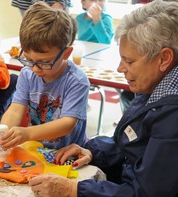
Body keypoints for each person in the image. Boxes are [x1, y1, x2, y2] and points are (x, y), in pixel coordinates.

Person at [28, 0, 178, 196]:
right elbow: (132, 143)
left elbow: (147, 193)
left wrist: (74, 190)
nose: (120, 68)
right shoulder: (153, 86)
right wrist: (93, 151)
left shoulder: (172, 115)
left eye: (129, 61)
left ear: (164, 59)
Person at [0, 2, 90, 151]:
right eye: (29, 59)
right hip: (35, 150)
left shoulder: (77, 81)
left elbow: (67, 123)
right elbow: (15, 110)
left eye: (44, 62)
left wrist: (27, 133)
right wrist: (4, 133)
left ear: (66, 53)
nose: (35, 68)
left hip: (67, 153)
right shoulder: (27, 73)